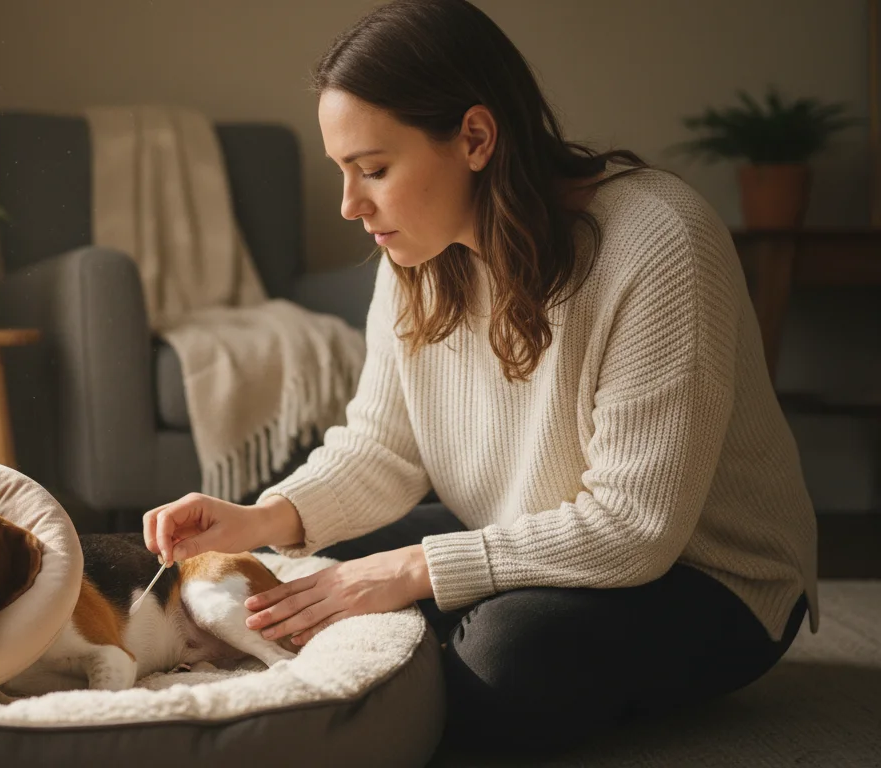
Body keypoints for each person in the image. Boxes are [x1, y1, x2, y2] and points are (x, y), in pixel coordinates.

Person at [141, 0, 818, 757]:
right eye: (344, 172)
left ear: (475, 137)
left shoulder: (660, 243)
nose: (349, 204)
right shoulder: (414, 260)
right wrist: (261, 519)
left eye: (373, 169)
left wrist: (409, 571)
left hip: (707, 579)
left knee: (505, 650)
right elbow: (382, 449)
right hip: (526, 525)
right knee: (301, 579)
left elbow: (635, 529)